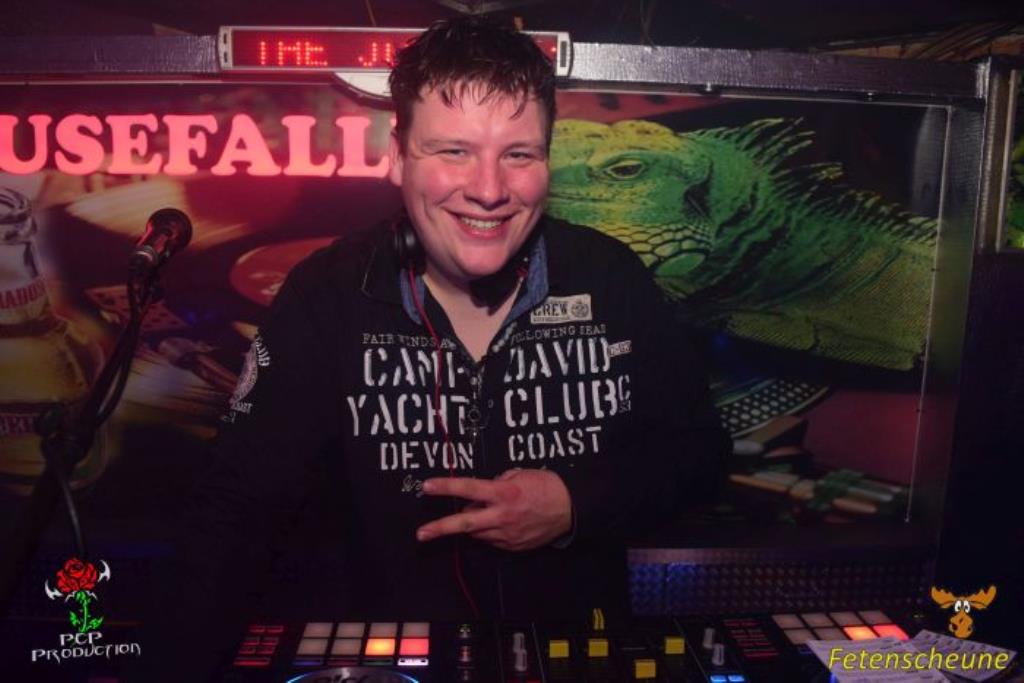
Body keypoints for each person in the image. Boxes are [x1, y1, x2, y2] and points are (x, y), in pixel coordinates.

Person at [130, 15, 729, 681]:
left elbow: (699, 455)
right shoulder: (329, 293)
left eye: (519, 154)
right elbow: (234, 511)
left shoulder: (609, 277)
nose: (489, 189)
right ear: (398, 155)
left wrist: (574, 502)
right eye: (453, 151)